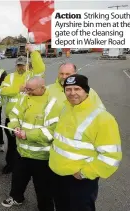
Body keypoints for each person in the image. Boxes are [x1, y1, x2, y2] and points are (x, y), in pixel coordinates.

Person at [49, 74, 122, 211]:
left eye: (77, 89)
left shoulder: (103, 118)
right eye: (68, 89)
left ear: (86, 91)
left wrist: (84, 173)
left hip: (80, 180)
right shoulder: (66, 109)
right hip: (58, 175)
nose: (72, 93)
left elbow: (111, 157)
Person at [1, 77, 63, 210]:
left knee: (43, 186)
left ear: (42, 88)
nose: (27, 91)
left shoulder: (52, 104)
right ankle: (16, 197)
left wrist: (27, 134)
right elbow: (14, 115)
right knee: (18, 178)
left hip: (41, 156)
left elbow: (51, 131)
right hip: (22, 151)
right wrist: (15, 126)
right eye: (26, 88)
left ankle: (45, 207)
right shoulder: (24, 97)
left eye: (30, 89)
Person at [0, 44, 46, 174]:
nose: (21, 67)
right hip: (12, 118)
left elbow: (41, 67)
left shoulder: (32, 75)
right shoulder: (10, 77)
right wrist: (17, 89)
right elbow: (3, 91)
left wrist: (33, 52)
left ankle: (24, 168)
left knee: (26, 144)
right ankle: (10, 165)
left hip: (28, 118)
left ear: (28, 64)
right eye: (19, 65)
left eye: (23, 64)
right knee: (12, 144)